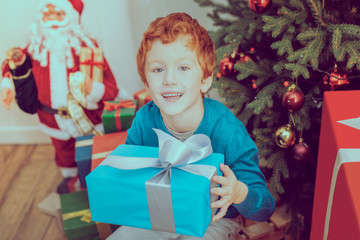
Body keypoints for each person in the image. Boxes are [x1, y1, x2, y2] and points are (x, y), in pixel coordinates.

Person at [108, 12, 274, 240]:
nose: (169, 80)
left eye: (183, 68)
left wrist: (237, 192)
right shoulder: (144, 121)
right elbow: (130, 174)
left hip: (214, 221)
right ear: (146, 82)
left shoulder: (227, 131)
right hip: (160, 213)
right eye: (158, 69)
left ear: (205, 79)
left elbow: (265, 206)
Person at [0, 0, 119, 193]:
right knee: (63, 151)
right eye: (48, 15)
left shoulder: (87, 49)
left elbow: (111, 88)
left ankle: (96, 184)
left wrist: (92, 87)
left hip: (87, 117)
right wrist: (8, 84)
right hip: (52, 117)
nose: (53, 20)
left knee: (90, 152)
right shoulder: (36, 47)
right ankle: (71, 180)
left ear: (71, 17)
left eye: (59, 15)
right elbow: (11, 61)